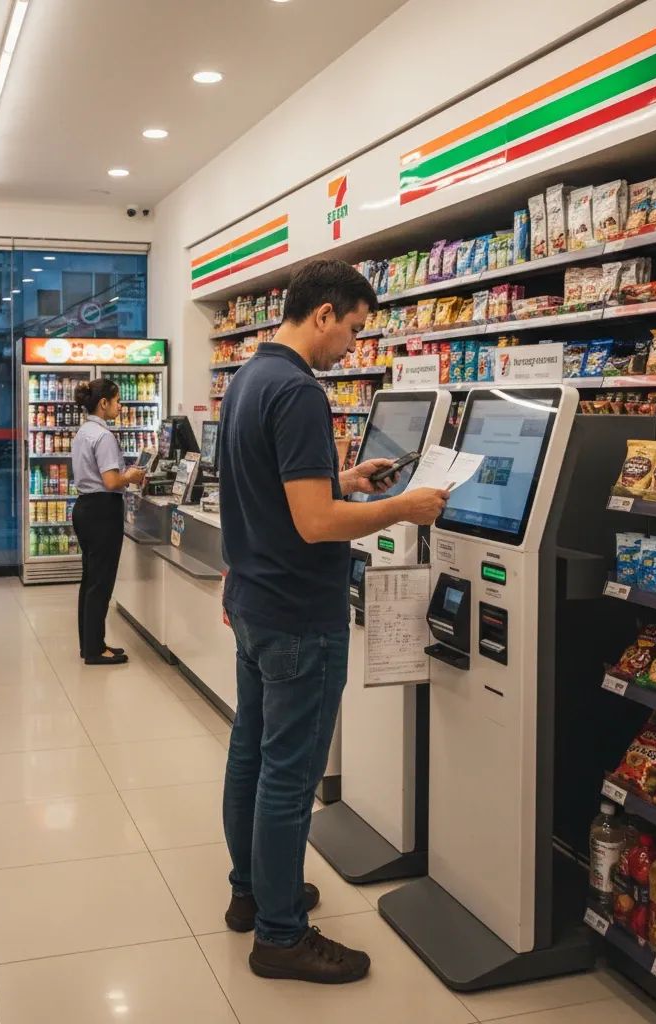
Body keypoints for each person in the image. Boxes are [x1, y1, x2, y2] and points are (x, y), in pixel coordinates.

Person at [217, 259, 449, 984]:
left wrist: (346, 480)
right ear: (323, 314)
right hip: (298, 615)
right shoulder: (299, 391)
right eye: (351, 329)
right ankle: (282, 937)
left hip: (255, 602)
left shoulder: (249, 379)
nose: (352, 346)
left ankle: (253, 893)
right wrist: (401, 507)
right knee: (290, 778)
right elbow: (316, 524)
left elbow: (277, 490)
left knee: (251, 755)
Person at [71, 378, 146, 665]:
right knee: (100, 583)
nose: (120, 406)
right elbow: (112, 481)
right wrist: (131, 476)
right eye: (117, 401)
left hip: (85, 508)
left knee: (90, 579)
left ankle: (90, 643)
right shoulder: (103, 436)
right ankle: (94, 650)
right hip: (102, 510)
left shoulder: (84, 432)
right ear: (103, 403)